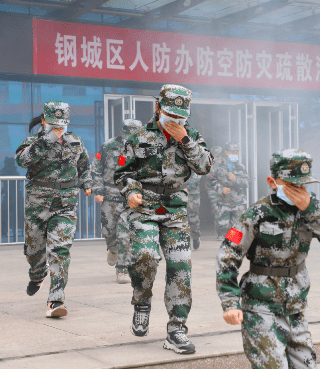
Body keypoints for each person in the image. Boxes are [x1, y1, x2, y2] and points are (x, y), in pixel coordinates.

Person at [216, 149, 320, 369]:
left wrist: (311, 209)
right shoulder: (257, 213)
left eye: (303, 184)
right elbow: (228, 254)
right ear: (273, 181)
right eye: (292, 184)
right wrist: (230, 302)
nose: (299, 190)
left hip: (296, 305)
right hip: (261, 306)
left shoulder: (312, 208)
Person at [114, 84, 213, 354]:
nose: (176, 121)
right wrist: (131, 192)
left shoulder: (191, 135)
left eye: (181, 117)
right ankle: (142, 301)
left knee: (180, 267)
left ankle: (176, 329)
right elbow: (121, 173)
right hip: (144, 207)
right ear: (158, 108)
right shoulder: (138, 137)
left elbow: (204, 166)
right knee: (145, 257)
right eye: (171, 116)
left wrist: (184, 139)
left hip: (175, 209)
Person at [15, 101, 92, 318]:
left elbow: (84, 166)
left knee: (60, 251)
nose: (59, 129)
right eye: (53, 124)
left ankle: (55, 300)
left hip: (65, 205)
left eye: (62, 124)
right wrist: (48, 139)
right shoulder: (32, 142)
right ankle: (37, 273)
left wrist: (87, 183)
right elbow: (22, 160)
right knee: (34, 250)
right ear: (43, 121)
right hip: (37, 205)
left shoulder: (75, 142)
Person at [91, 119, 143, 284]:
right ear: (122, 132)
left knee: (125, 234)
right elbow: (96, 167)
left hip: (130, 197)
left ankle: (122, 270)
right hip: (109, 194)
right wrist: (97, 190)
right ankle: (113, 250)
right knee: (108, 231)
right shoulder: (109, 146)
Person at [210, 142, 250, 238]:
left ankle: (233, 248)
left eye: (237, 152)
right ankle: (229, 241)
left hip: (238, 201)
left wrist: (236, 180)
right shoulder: (218, 166)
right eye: (233, 152)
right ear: (226, 152)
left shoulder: (241, 166)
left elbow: (247, 182)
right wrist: (221, 189)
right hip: (223, 201)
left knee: (237, 227)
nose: (235, 154)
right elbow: (213, 180)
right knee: (223, 226)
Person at [0, 156, 24, 241]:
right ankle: (10, 233)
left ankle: (5, 232)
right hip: (14, 196)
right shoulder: (15, 172)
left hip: (12, 197)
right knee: (14, 216)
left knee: (5, 212)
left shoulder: (7, 171)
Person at [205, 146, 223, 238]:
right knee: (217, 210)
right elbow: (209, 176)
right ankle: (220, 233)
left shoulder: (224, 163)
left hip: (225, 190)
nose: (217, 157)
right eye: (215, 155)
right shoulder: (208, 163)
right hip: (213, 190)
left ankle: (233, 237)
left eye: (219, 155)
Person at [183, 172, 201, 250]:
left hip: (192, 194)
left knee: (193, 218)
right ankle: (183, 242)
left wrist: (189, 187)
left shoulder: (194, 160)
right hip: (178, 192)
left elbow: (197, 175)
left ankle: (195, 237)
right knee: (179, 217)